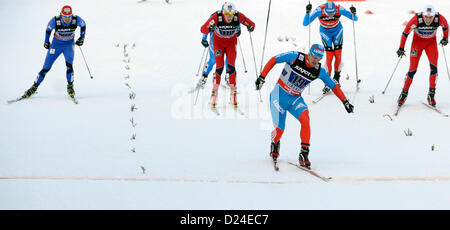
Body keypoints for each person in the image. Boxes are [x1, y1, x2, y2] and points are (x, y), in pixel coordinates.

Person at [255, 44, 354, 169]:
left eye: (318, 59)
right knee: (280, 130)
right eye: (313, 57)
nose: (315, 61)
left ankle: (304, 153)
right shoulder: (295, 57)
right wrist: (262, 77)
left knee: (305, 119)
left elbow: (333, 86)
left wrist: (345, 101)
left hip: (295, 98)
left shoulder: (319, 71)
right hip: (278, 96)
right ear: (309, 54)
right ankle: (275, 142)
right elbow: (274, 59)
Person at [21, 5, 86, 100]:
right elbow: (48, 29)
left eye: (69, 17)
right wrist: (46, 41)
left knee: (69, 65)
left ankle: (70, 87)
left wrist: (82, 37)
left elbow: (83, 25)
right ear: (61, 15)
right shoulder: (55, 20)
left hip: (68, 45)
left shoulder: (76, 20)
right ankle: (34, 87)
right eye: (65, 16)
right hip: (56, 45)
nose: (67, 19)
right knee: (46, 68)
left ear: (72, 15)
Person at [200, 2, 255, 108]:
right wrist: (209, 29)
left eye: (231, 15)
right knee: (219, 66)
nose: (229, 17)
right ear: (223, 12)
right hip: (218, 43)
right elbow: (203, 28)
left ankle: (233, 95)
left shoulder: (238, 16)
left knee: (231, 66)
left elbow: (252, 23)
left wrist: (250, 27)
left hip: (231, 44)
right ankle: (214, 95)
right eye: (227, 14)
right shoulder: (217, 16)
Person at [396, 5, 448, 107]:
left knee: (434, 69)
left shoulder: (439, 18)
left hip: (431, 44)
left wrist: (446, 38)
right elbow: (405, 32)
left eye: (430, 17)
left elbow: (445, 26)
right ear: (422, 15)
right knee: (412, 70)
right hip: (417, 44)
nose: (428, 19)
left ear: (434, 16)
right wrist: (401, 48)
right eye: (426, 17)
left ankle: (431, 95)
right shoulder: (416, 19)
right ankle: (404, 93)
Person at [303, 1, 358, 93]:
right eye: (328, 13)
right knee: (329, 57)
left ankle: (336, 77)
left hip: (337, 32)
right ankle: (327, 81)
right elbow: (305, 23)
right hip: (325, 33)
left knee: (338, 55)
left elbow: (354, 19)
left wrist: (353, 12)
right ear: (325, 10)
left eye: (332, 12)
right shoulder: (319, 10)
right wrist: (307, 12)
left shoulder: (339, 8)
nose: (331, 15)